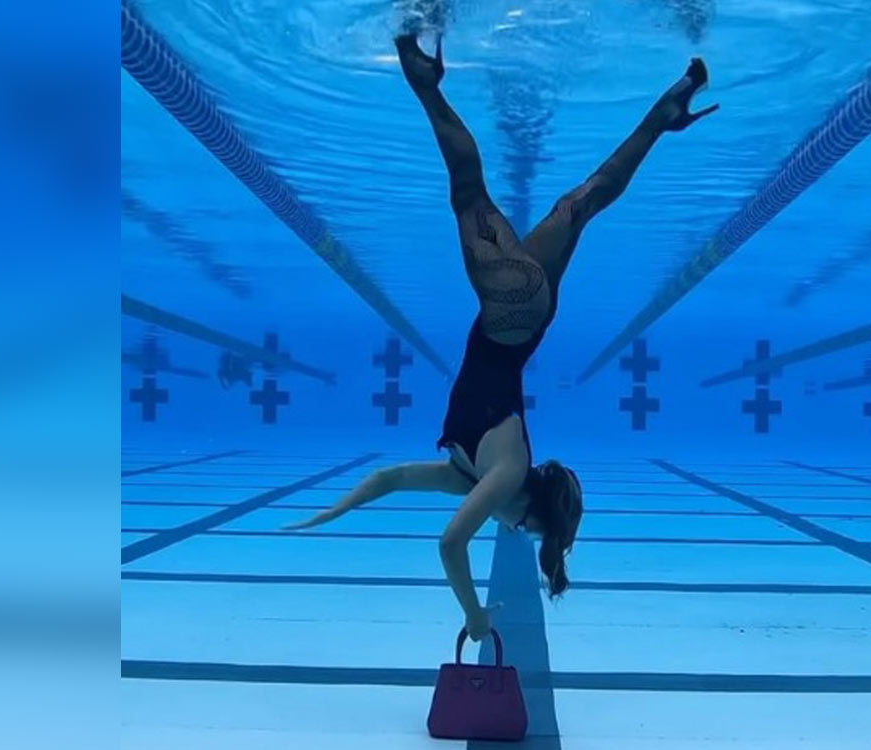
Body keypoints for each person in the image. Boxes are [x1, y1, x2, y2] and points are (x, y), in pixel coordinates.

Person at [285, 33, 718, 641]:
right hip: (509, 308)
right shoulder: (506, 473)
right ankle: (423, 82)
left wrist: (330, 512)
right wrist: (475, 617)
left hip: (528, 317)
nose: (514, 531)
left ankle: (664, 111)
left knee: (583, 201)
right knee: (468, 185)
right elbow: (450, 544)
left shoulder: (471, 473)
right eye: (531, 530)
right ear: (532, 514)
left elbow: (389, 479)